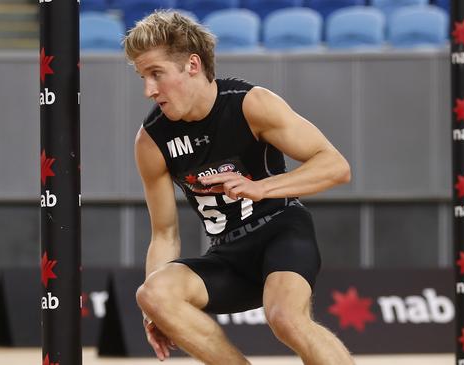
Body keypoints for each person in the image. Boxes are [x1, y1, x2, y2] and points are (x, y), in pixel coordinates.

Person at [125, 10, 355, 365]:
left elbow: (335, 166)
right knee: (152, 293)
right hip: (227, 253)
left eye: (156, 74)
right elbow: (164, 234)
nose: (148, 90)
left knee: (286, 319)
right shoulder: (151, 141)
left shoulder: (251, 103)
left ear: (192, 64)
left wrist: (262, 188)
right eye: (142, 77)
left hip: (280, 233)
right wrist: (157, 313)